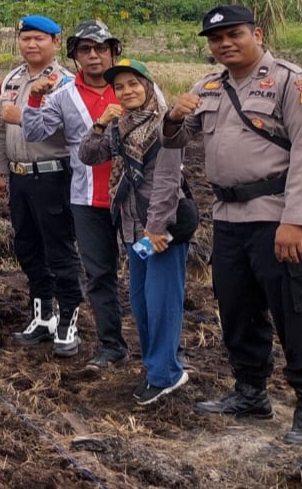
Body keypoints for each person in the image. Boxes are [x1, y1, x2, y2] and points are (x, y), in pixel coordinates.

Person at [165, 5, 302, 445]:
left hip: (277, 216)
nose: (224, 44)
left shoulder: (291, 84)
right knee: (236, 307)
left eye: (234, 34)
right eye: (215, 39)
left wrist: (296, 222)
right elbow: (176, 139)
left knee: (295, 310)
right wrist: (174, 116)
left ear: (256, 33)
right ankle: (250, 391)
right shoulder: (208, 86)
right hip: (228, 217)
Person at [79, 60, 192, 405]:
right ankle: (155, 364)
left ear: (148, 86)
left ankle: (166, 373)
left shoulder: (165, 125)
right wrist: (100, 123)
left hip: (160, 225)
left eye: (134, 84)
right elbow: (88, 155)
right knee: (141, 301)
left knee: (162, 301)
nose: (128, 91)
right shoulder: (120, 127)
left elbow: (168, 182)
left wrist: (156, 227)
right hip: (131, 224)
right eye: (121, 87)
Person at [21, 20, 130, 369]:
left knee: (146, 276)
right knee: (99, 274)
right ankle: (111, 345)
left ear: (114, 52)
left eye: (101, 48)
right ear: (75, 56)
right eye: (85, 49)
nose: (94, 55)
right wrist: (35, 98)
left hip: (133, 197)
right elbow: (35, 131)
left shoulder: (134, 87)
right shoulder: (63, 95)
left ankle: (166, 350)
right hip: (86, 196)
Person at [0, 15, 85, 357]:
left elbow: (74, 131)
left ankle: (67, 321)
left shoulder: (67, 83)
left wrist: (27, 116)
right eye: (26, 38)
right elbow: (2, 128)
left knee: (59, 250)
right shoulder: (13, 79)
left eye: (39, 39)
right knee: (28, 247)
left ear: (56, 41)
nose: (31, 45)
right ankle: (43, 315)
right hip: (19, 176)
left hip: (53, 175)